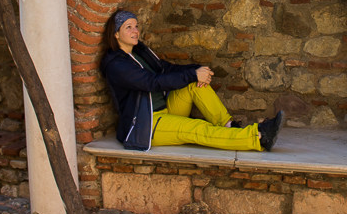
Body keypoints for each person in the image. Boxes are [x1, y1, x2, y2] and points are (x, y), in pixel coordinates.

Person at [99, 9, 284, 153]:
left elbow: (164, 69)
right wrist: (192, 74)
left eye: (136, 26)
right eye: (128, 27)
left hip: (165, 110)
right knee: (197, 128)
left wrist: (196, 70)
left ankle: (229, 126)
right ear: (116, 34)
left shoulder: (139, 52)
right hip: (144, 123)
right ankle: (257, 137)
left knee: (196, 85)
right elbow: (151, 82)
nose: (135, 31)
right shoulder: (116, 64)